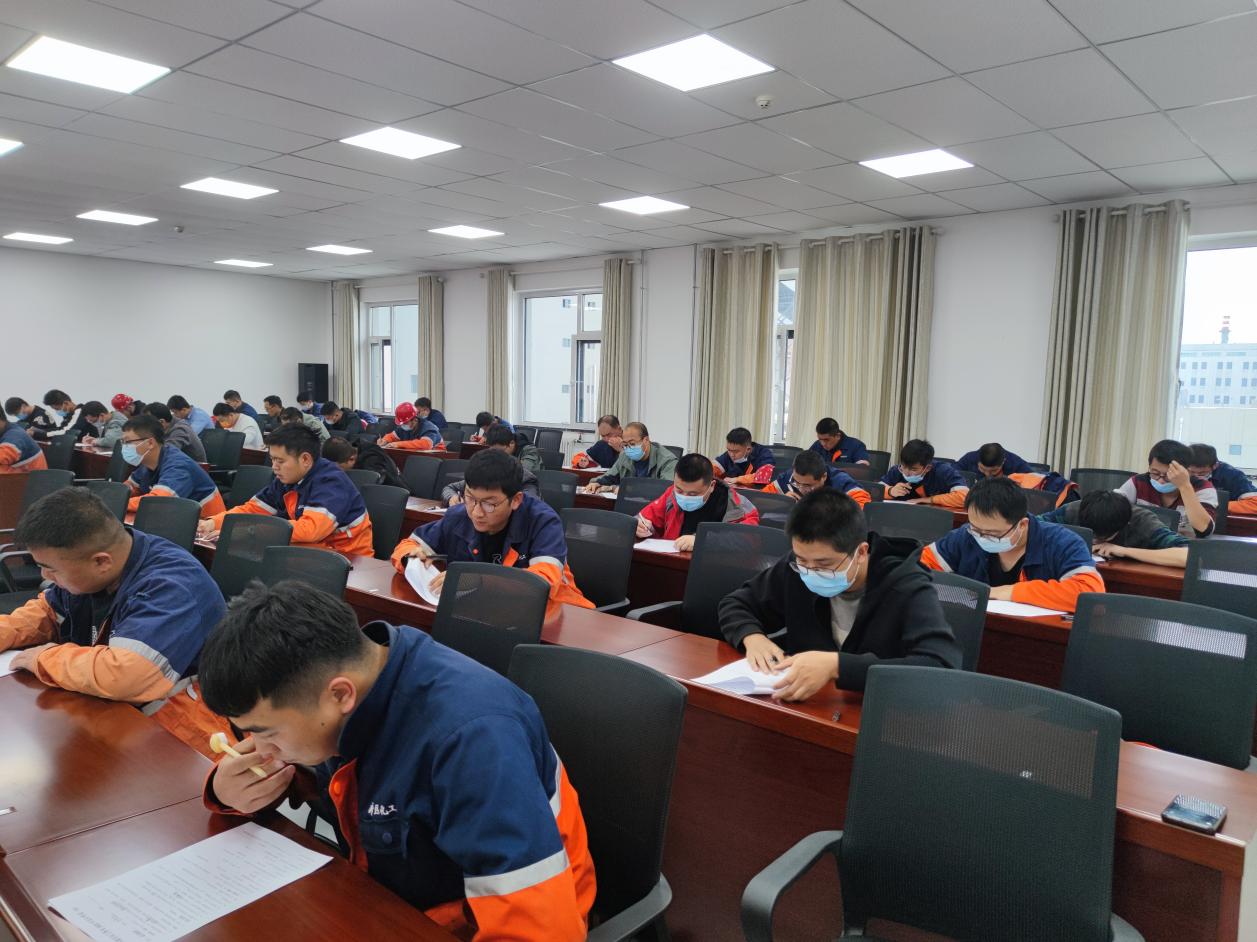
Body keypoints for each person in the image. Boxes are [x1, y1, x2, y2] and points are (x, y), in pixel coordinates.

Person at [197, 581, 595, 939]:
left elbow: (540, 930)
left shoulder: (472, 740)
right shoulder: (351, 686)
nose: (261, 750)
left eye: (267, 733)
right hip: (388, 899)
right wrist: (227, 789)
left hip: (485, 919)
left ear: (340, 695)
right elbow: (322, 781)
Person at [0, 488, 227, 755]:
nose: (44, 576)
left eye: (51, 569)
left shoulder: (171, 584)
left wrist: (43, 658)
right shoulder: (92, 571)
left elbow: (127, 675)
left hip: (188, 733)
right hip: (119, 713)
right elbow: (46, 613)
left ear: (101, 562)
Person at [718, 489, 960, 699]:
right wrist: (752, 636)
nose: (810, 571)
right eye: (802, 560)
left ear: (861, 552)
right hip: (808, 702)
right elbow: (736, 603)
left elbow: (941, 666)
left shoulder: (906, 584)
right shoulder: (799, 566)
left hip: (878, 709)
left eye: (824, 564)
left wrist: (838, 666)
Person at [392, 449, 592, 616]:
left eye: (489, 504)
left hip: (558, 615)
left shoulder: (542, 521)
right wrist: (409, 558)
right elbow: (408, 545)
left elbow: (542, 582)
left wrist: (476, 579)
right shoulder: (459, 515)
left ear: (516, 500)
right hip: (491, 611)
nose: (477, 512)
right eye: (470, 498)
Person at [921, 477, 1104, 612]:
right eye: (976, 529)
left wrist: (1010, 592)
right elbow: (918, 567)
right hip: (973, 626)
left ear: (1022, 524)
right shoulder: (966, 535)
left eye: (993, 533)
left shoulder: (1062, 542)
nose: (982, 537)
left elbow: (1091, 594)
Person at [200, 425, 374, 556]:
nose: (274, 467)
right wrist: (214, 522)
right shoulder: (287, 479)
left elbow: (310, 530)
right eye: (272, 460)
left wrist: (248, 531)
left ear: (305, 459)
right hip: (314, 551)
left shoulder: (331, 482)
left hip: (348, 558)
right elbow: (252, 509)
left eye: (280, 461)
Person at [635, 452, 759, 552]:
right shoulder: (671, 494)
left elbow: (748, 540)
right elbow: (646, 518)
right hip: (673, 562)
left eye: (693, 494)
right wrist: (642, 527)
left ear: (711, 486)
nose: (684, 496)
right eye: (679, 490)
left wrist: (702, 540)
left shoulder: (737, 505)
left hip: (714, 567)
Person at [1040, 489, 1188, 568]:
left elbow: (1189, 555)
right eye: (1091, 535)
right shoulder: (1075, 509)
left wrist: (1124, 551)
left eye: (1102, 538)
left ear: (1124, 524)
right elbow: (1032, 525)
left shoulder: (1143, 522)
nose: (1095, 541)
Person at [120, 416, 225, 518]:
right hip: (176, 518)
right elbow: (130, 487)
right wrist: (116, 495)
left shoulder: (178, 465)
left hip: (205, 523)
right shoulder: (148, 462)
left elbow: (157, 502)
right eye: (122, 442)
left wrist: (120, 503)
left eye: (127, 442)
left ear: (150, 443)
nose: (124, 447)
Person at [1116, 439, 1217, 538]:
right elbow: (1112, 508)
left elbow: (1204, 529)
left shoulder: (1203, 488)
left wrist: (1185, 486)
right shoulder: (1138, 482)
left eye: (1168, 476)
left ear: (1186, 471)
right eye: (1155, 473)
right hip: (1142, 541)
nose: (1160, 480)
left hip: (1182, 545)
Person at [440, 429, 540, 506]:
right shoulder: (486, 471)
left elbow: (529, 504)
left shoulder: (526, 478)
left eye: (500, 451)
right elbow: (449, 488)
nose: (496, 456)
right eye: (492, 452)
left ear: (511, 443)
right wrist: (452, 497)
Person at [581, 422, 677, 494]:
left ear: (646, 440)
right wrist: (596, 483)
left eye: (632, 443)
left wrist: (619, 489)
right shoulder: (625, 455)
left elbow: (665, 490)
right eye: (625, 444)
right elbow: (610, 476)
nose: (629, 448)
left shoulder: (667, 461)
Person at [880, 439, 969, 509]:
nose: (906, 473)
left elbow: (965, 498)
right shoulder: (896, 470)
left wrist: (928, 500)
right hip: (903, 517)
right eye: (903, 466)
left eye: (913, 469)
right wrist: (890, 491)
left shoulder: (943, 471)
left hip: (936, 518)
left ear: (928, 468)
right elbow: (874, 491)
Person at [763, 450, 871, 506]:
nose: (801, 489)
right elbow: (760, 500)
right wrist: (782, 501)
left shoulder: (840, 482)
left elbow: (864, 507)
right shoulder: (789, 476)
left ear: (824, 477)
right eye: (796, 482)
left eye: (808, 485)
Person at [1189, 443, 1257, 515]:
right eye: (1191, 472)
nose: (1196, 476)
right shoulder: (1181, 469)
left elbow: (1254, 504)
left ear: (1215, 465)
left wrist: (1214, 506)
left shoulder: (1233, 475)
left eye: (1202, 473)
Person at [322, 436, 406, 491]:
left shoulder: (372, 463)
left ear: (351, 459)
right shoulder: (348, 449)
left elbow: (371, 492)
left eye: (338, 468)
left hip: (394, 495)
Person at [955, 443, 1034, 478]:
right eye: (982, 469)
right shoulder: (969, 458)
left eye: (993, 471)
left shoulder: (1015, 463)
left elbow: (1034, 480)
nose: (987, 474)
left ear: (1003, 462)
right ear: (977, 460)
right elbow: (953, 475)